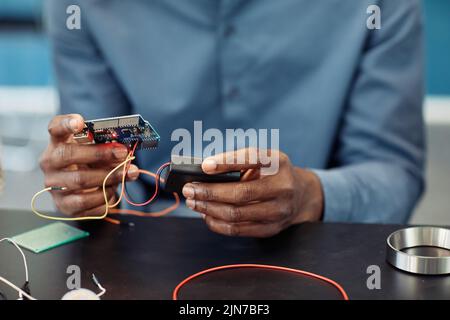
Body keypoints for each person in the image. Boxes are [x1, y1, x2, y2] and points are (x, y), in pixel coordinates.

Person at [40, 0, 425, 237]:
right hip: (145, 249)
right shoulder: (81, 7)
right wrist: (87, 189)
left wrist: (312, 195)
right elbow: (102, 165)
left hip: (319, 248)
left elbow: (395, 175)